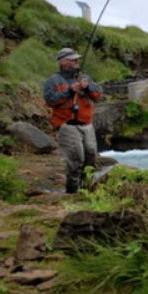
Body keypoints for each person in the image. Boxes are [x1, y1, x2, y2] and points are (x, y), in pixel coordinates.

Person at [43, 48, 103, 193]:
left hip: (87, 125)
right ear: (63, 62)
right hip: (66, 125)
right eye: (73, 60)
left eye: (77, 60)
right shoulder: (52, 81)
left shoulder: (84, 77)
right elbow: (50, 100)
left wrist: (87, 86)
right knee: (76, 158)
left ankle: (87, 189)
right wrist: (70, 90)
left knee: (91, 156)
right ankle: (72, 191)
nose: (76, 62)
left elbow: (98, 94)